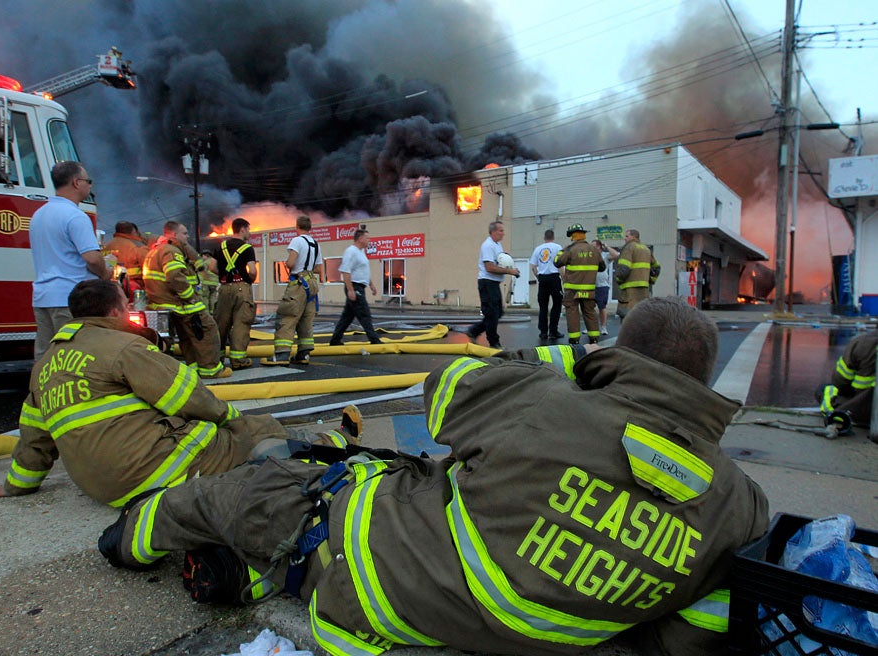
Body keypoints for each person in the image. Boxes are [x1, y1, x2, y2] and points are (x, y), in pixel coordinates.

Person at [98, 296, 768, 656]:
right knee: (322, 468)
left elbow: (445, 387)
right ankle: (253, 568)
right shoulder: (740, 504)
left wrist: (569, 361)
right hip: (520, 611)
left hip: (379, 577)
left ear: (618, 356)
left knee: (243, 489)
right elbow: (692, 633)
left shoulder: (545, 403)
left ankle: (128, 540)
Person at [0, 279, 363, 507]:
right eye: (127, 305)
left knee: (234, 431)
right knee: (258, 433)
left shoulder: (46, 363)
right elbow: (188, 397)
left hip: (101, 488)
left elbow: (34, 436)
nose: (130, 311)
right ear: (114, 313)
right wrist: (234, 422)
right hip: (153, 473)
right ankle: (334, 446)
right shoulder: (123, 349)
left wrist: (17, 486)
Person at [29, 161, 109, 359]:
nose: (90, 186)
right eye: (88, 181)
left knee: (46, 358)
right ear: (76, 182)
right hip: (71, 299)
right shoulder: (75, 216)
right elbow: (91, 258)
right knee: (75, 357)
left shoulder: (38, 215)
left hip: (42, 297)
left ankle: (42, 390)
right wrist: (106, 274)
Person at [143, 221, 230, 378]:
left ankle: (194, 367)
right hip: (180, 303)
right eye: (184, 233)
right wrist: (189, 296)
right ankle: (211, 370)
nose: (188, 236)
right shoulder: (171, 251)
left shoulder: (156, 250)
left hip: (164, 302)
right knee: (206, 330)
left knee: (187, 336)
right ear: (173, 235)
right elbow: (175, 276)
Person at [268, 215, 323, 365]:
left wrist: (288, 263)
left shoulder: (297, 241)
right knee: (306, 318)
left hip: (298, 283)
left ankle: (281, 355)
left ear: (297, 227)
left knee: (287, 316)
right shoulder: (315, 244)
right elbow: (319, 268)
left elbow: (291, 262)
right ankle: (303, 354)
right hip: (311, 283)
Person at [466, 220, 520, 349]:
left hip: (494, 284)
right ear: (493, 232)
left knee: (498, 313)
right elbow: (489, 267)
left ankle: (474, 331)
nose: (503, 233)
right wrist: (509, 271)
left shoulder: (497, 245)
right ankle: (494, 343)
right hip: (487, 283)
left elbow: (500, 263)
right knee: (492, 314)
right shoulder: (488, 246)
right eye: (501, 230)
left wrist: (511, 270)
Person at [214, 218, 258, 370]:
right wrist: (249, 279)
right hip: (242, 288)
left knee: (221, 323)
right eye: (249, 229)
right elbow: (252, 271)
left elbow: (213, 267)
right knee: (241, 323)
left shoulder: (221, 246)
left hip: (224, 288)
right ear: (243, 229)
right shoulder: (247, 248)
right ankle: (238, 360)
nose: (250, 233)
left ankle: (217, 358)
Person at [328, 228, 383, 346]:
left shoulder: (361, 252)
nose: (369, 240)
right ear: (360, 239)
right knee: (364, 313)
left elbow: (363, 271)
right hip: (354, 286)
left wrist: (371, 285)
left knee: (347, 317)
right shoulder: (351, 251)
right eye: (367, 238)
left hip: (360, 286)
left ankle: (335, 340)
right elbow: (345, 271)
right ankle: (374, 339)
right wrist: (350, 290)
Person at [554, 223, 604, 344]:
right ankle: (594, 338)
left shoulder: (570, 250)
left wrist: (563, 250)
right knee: (590, 312)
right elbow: (602, 267)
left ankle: (574, 340)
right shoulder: (594, 250)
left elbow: (557, 262)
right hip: (589, 290)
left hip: (572, 290)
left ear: (573, 236)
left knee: (572, 313)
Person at [817, 329, 877, 428]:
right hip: (865, 408)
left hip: (860, 411)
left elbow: (840, 382)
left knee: (825, 389)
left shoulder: (861, 343)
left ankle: (836, 413)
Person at [615, 229, 660, 319]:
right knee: (641, 318)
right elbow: (656, 267)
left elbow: (624, 269)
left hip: (629, 293)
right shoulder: (646, 249)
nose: (625, 238)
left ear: (634, 237)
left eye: (627, 236)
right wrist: (651, 281)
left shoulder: (628, 248)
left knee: (627, 320)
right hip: (643, 292)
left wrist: (618, 279)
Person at [529, 229, 564, 340]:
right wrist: (563, 279)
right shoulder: (558, 247)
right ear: (553, 237)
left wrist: (538, 277)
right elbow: (561, 266)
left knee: (543, 306)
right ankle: (553, 331)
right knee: (557, 304)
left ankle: (543, 332)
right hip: (554, 278)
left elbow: (533, 267)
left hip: (543, 278)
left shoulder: (538, 249)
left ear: (544, 237)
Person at [103, 221, 149, 297]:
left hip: (110, 291)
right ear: (134, 232)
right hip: (134, 291)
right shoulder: (137, 247)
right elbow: (150, 270)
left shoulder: (106, 246)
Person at [592, 239, 620, 336]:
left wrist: (607, 247)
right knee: (589, 308)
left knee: (602, 307)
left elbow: (616, 255)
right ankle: (591, 327)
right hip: (590, 285)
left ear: (599, 246)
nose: (592, 248)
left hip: (602, 286)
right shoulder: (590, 256)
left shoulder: (604, 256)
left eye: (594, 246)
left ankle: (603, 327)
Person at [197, 251, 220, 315]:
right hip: (215, 283)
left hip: (206, 283)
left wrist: (199, 281)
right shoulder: (215, 261)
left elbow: (201, 272)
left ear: (205, 255)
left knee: (205, 297)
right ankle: (212, 311)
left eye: (202, 256)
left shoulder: (205, 262)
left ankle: (206, 312)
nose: (202, 257)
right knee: (213, 297)